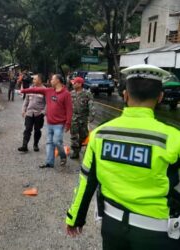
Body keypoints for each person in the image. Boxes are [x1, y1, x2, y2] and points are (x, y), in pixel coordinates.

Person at [65, 64, 180, 250]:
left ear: (125, 95)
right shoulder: (174, 138)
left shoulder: (100, 134)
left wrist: (74, 217)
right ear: (160, 97)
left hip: (113, 227)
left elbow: (86, 180)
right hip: (158, 233)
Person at [21, 74, 73, 168]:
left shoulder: (66, 94)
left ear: (58, 80)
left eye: (52, 79)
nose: (50, 81)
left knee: (57, 142)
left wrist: (68, 123)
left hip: (59, 124)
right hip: (50, 123)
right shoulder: (49, 91)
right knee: (49, 142)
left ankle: (63, 155)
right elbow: (35, 90)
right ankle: (49, 162)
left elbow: (69, 109)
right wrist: (23, 90)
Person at [18, 74, 46, 152]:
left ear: (40, 80)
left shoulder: (44, 90)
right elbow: (26, 100)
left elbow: (47, 103)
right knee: (27, 129)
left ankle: (35, 144)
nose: (33, 80)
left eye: (35, 79)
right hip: (29, 113)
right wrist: (24, 110)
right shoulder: (30, 88)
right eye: (33, 79)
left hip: (39, 114)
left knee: (37, 130)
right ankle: (24, 146)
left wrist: (43, 113)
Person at [70, 76, 95, 159]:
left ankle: (80, 146)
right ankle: (75, 152)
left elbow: (91, 105)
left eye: (75, 83)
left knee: (83, 135)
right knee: (73, 135)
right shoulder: (71, 93)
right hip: (73, 117)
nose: (73, 84)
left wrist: (92, 116)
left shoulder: (87, 94)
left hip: (83, 118)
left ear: (80, 84)